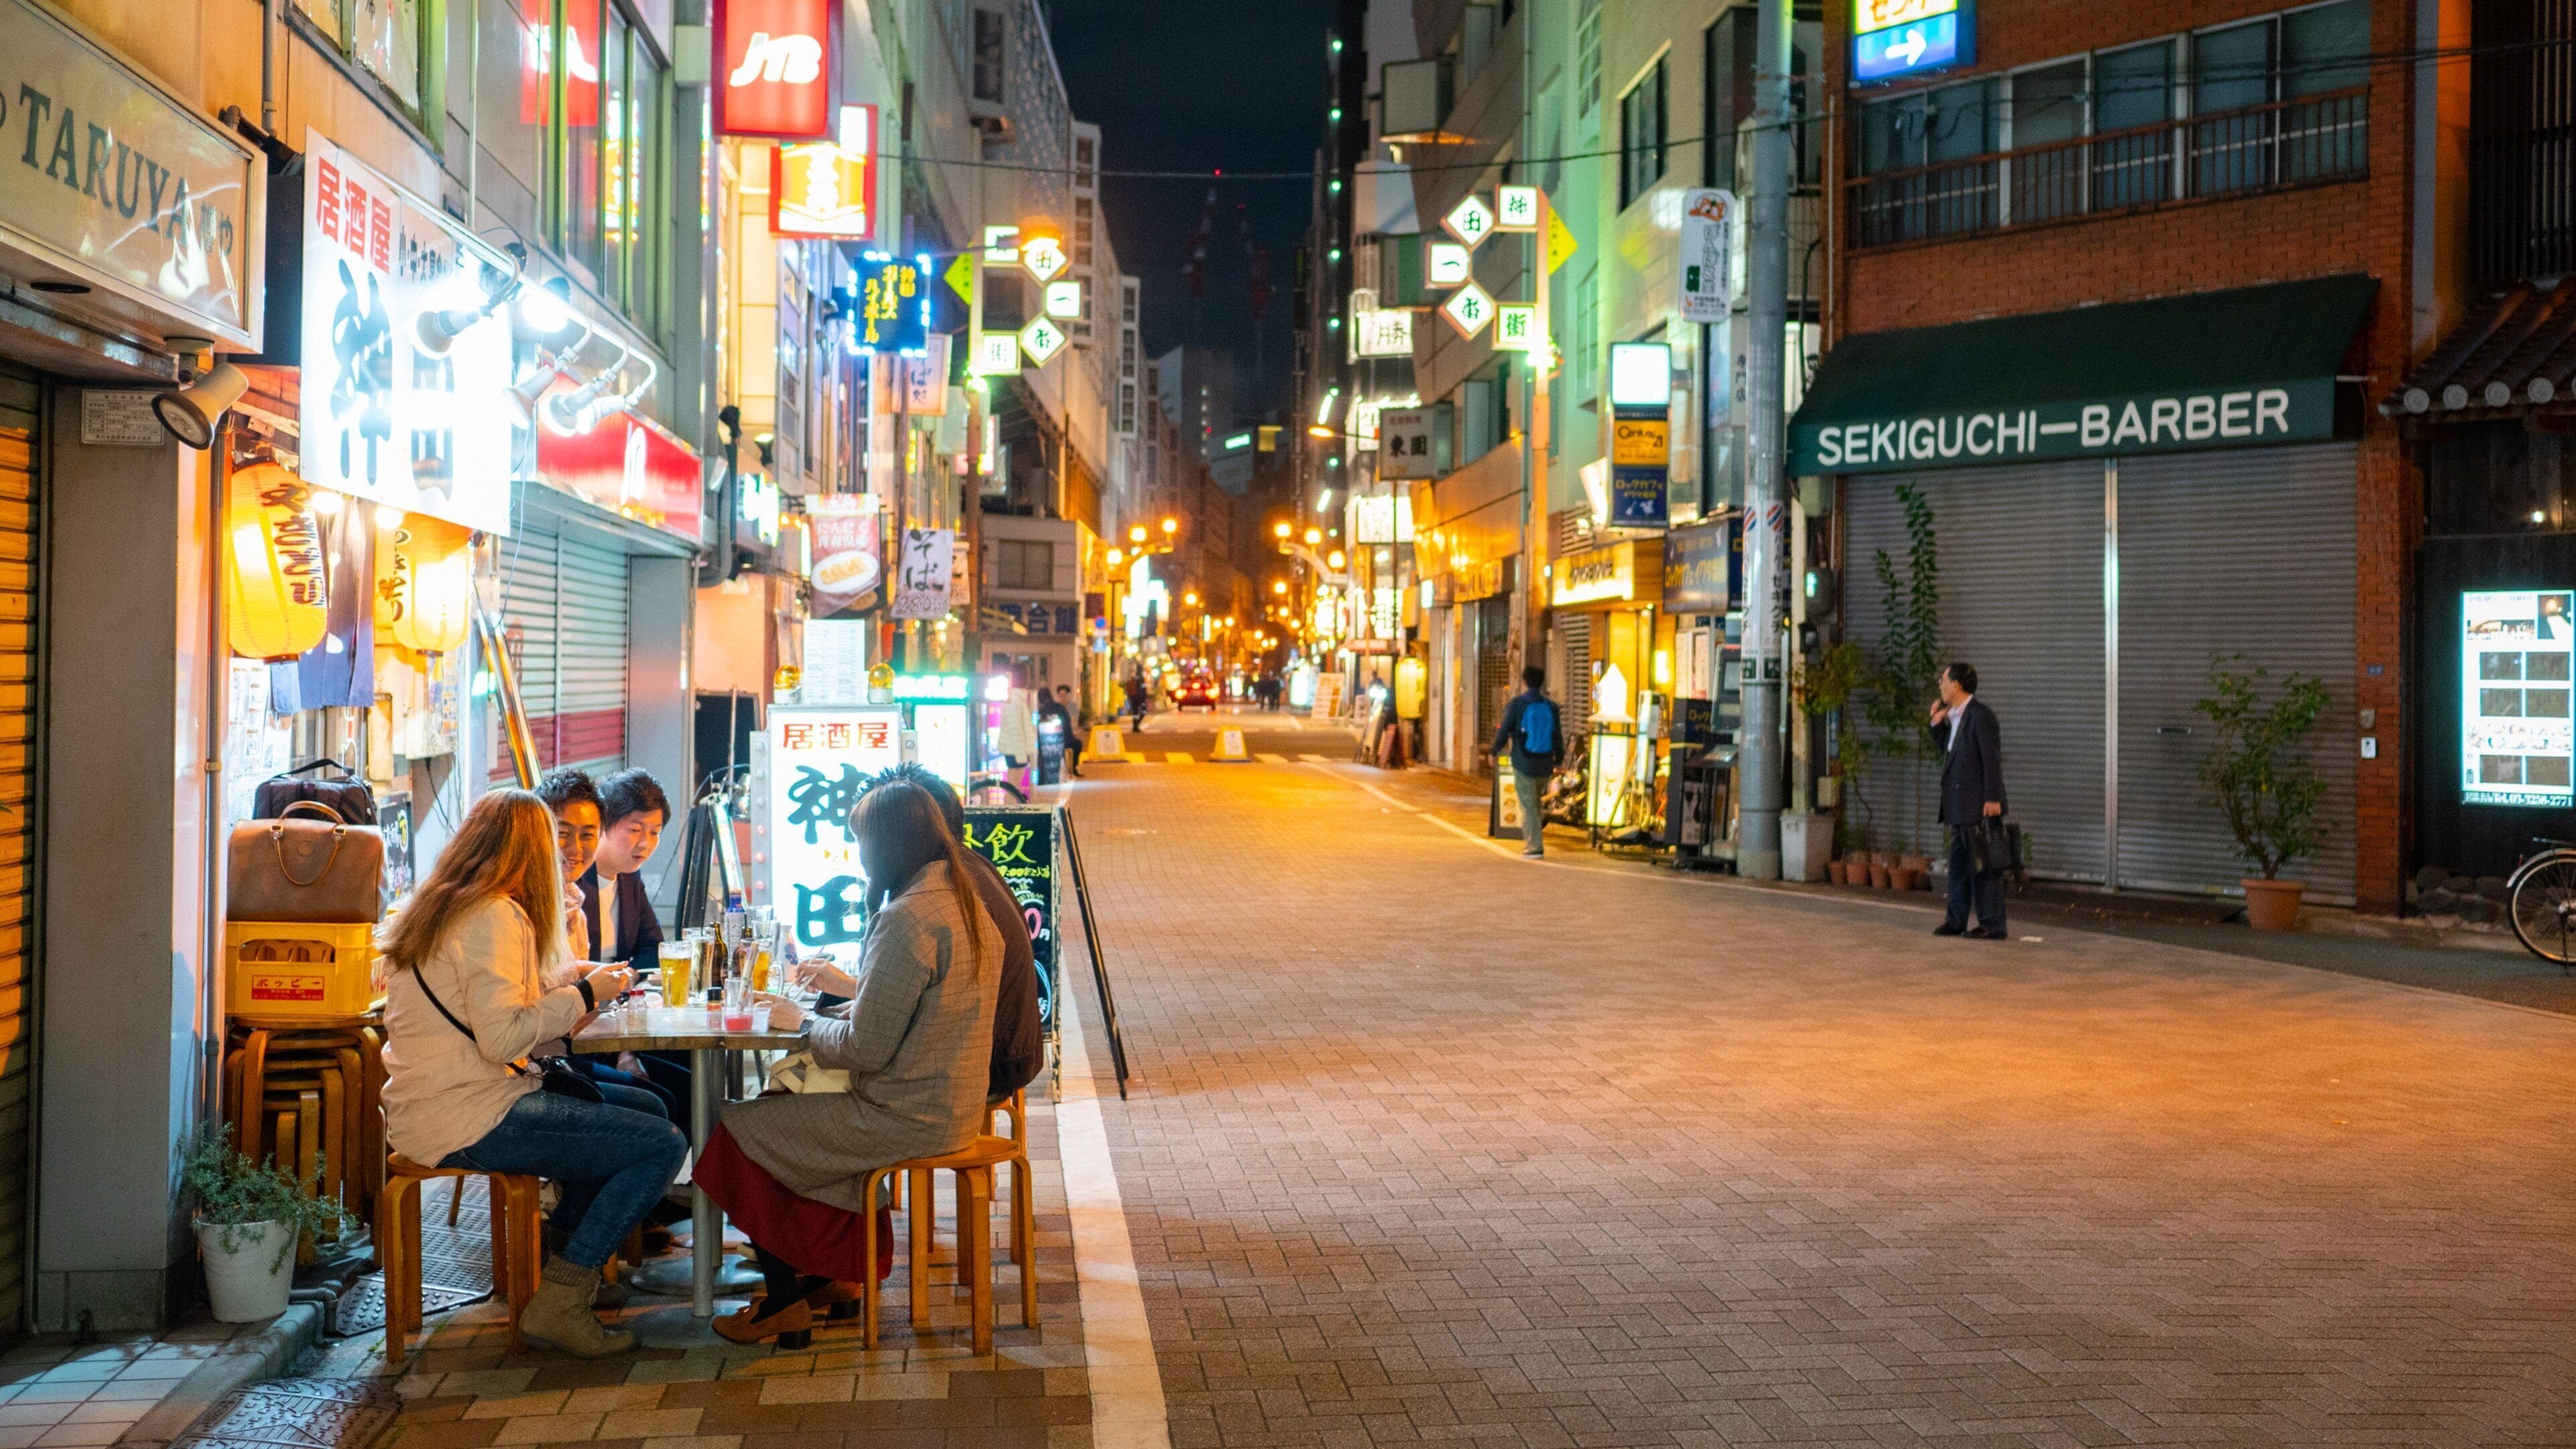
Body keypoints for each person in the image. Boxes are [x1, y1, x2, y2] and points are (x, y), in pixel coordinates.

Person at [375, 790, 687, 1358]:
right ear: (525, 849)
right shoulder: (493, 914)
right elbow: (503, 1036)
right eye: (549, 840)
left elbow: (503, 991)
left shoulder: (452, 902)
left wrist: (579, 975)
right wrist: (586, 992)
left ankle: (565, 1273)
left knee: (645, 1110)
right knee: (661, 1143)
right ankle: (561, 1302)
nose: (560, 853)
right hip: (470, 1115)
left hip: (444, 1101)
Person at [694, 780, 1004, 1345]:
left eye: (861, 843)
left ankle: (785, 1302)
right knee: (783, 1110)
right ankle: (830, 1277)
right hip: (952, 1107)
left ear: (886, 848)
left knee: (737, 1129)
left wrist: (802, 1022)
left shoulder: (906, 917)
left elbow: (865, 1050)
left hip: (901, 1115)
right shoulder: (962, 902)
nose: (857, 856)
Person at [796, 764, 1043, 1106]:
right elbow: (941, 988)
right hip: (1005, 1056)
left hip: (982, 1066)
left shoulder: (936, 896)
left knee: (797, 1082)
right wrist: (853, 989)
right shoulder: (966, 871)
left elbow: (867, 1048)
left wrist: (801, 1020)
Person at [535, 769, 671, 1122]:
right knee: (658, 1103)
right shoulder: (561, 890)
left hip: (601, 1020)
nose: (645, 844)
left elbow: (651, 947)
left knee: (680, 1080)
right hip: (564, 1044)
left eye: (655, 833)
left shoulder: (624, 880)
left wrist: (625, 979)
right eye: (635, 830)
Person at [1927, 661, 2009, 939]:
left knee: (1984, 868)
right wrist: (1937, 725)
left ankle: (1992, 925)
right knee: (1959, 869)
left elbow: (1991, 758)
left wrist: (1993, 797)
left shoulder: (1979, 715)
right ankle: (1956, 920)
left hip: (1979, 804)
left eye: (1944, 680)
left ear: (1957, 685)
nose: (1941, 685)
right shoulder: (1956, 717)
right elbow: (1949, 755)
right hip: (1959, 806)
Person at [1489, 665, 1562, 859]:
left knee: (1528, 806)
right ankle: (1535, 841)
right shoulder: (1552, 707)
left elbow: (1504, 730)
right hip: (1545, 763)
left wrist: (1494, 751)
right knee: (1535, 803)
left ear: (1524, 682)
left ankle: (1535, 847)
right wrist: (1560, 759)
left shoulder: (1517, 705)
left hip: (1524, 762)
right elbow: (1558, 736)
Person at [1048, 685, 1085, 777]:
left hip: (1068, 735)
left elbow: (1074, 722)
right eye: (1060, 695)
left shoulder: (1073, 706)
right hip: (1056, 735)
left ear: (1069, 695)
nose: (1062, 698)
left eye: (1065, 695)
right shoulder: (1055, 707)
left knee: (1078, 744)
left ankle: (1074, 767)